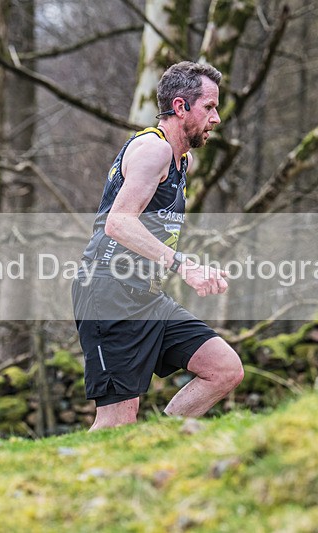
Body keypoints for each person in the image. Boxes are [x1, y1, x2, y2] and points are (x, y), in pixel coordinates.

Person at [72, 61, 243, 431]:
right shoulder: (154, 150)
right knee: (117, 421)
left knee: (224, 369)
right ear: (181, 106)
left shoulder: (184, 161)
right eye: (209, 107)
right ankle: (73, 482)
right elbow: (118, 222)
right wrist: (183, 264)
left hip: (145, 296)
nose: (215, 118)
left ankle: (157, 439)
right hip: (107, 291)